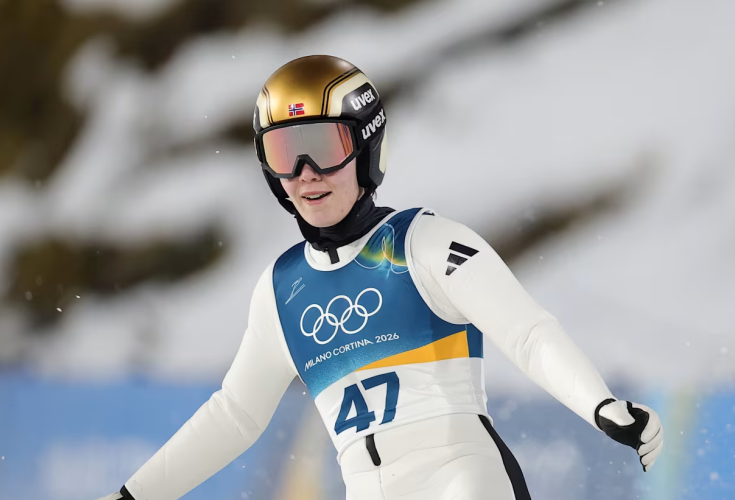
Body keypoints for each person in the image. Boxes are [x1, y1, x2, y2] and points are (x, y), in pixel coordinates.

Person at [95, 55, 663, 500]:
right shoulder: (280, 290)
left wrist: (600, 405)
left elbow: (527, 332)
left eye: (324, 147)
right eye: (284, 153)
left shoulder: (425, 242)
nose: (305, 175)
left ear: (367, 147)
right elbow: (235, 415)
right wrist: (134, 494)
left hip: (465, 485)